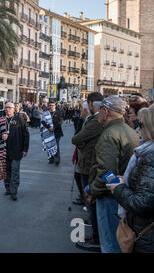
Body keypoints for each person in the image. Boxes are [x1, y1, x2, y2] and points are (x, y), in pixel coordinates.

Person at [86, 95, 140, 253]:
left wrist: (92, 190)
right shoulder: (129, 130)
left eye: (100, 111)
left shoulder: (110, 134)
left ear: (106, 111)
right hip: (123, 193)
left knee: (110, 244)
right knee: (120, 243)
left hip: (110, 197)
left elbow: (107, 172)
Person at [106, 104, 154, 253]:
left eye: (140, 124)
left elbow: (142, 203)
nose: (138, 128)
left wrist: (119, 187)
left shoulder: (150, 156)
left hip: (146, 234)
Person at [72, 93, 104, 252]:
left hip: (89, 164)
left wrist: (81, 145)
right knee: (91, 201)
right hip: (89, 163)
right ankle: (96, 235)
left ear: (92, 104)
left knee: (91, 200)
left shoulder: (95, 122)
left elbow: (76, 139)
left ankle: (97, 238)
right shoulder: (93, 120)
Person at [0, 101, 29, 201]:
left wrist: (25, 149)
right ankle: (8, 188)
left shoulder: (19, 119)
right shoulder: (1, 120)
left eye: (10, 107)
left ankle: (14, 191)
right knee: (6, 170)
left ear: (14, 109)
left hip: (17, 149)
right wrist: (1, 136)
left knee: (15, 170)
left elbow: (26, 134)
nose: (7, 109)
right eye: (6, 107)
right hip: (4, 150)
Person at [47, 101, 63, 165]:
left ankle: (57, 159)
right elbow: (43, 121)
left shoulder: (58, 112)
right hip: (48, 132)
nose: (51, 106)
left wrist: (53, 127)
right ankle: (51, 158)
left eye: (52, 105)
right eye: (50, 105)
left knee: (56, 146)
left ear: (55, 106)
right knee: (49, 146)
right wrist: (48, 127)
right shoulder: (46, 113)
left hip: (57, 132)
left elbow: (60, 121)